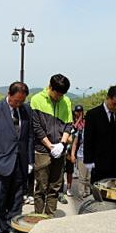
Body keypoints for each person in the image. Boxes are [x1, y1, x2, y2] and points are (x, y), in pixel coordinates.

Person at [0, 82, 34, 233]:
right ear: (9, 94)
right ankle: (1, 232)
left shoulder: (26, 110)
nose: (18, 104)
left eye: (21, 101)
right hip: (1, 162)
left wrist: (30, 161)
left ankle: (14, 228)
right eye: (16, 101)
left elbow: (29, 137)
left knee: (17, 199)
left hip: (20, 162)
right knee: (1, 200)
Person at [30, 74, 72, 216]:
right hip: (42, 150)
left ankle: (49, 217)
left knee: (55, 186)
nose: (60, 97)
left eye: (62, 95)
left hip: (60, 150)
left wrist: (62, 143)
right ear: (50, 87)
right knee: (41, 186)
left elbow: (68, 124)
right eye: (58, 94)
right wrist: (50, 146)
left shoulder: (66, 101)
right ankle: (38, 217)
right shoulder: (36, 100)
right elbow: (36, 127)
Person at [83, 86, 116, 183]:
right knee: (99, 193)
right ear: (108, 98)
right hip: (99, 163)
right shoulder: (93, 114)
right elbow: (88, 139)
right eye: (114, 104)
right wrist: (88, 161)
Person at [71, 123, 90, 198]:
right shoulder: (80, 132)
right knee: (82, 177)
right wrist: (72, 154)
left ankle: (87, 192)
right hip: (82, 156)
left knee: (89, 177)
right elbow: (75, 144)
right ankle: (81, 194)